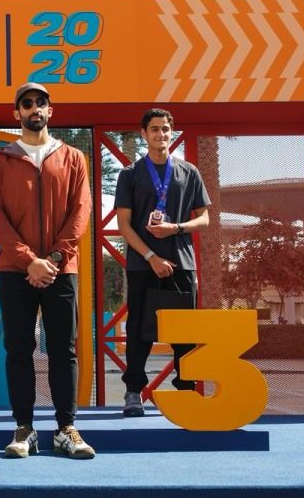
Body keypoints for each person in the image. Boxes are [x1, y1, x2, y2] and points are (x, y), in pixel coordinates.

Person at [0, 82, 95, 459]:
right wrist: (28, 260)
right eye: (27, 103)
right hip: (16, 270)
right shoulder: (0, 160)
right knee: (19, 349)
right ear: (17, 113)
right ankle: (24, 428)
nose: (35, 109)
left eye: (41, 103)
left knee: (63, 349)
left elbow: (81, 212)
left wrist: (55, 260)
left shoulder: (73, 158)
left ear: (51, 110)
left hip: (61, 271)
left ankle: (66, 429)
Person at [115, 107, 211, 417]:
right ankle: (133, 392)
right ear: (144, 134)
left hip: (182, 263)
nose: (161, 134)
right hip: (143, 265)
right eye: (154, 129)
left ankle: (186, 390)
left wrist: (176, 228)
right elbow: (124, 225)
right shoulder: (130, 174)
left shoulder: (189, 172)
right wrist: (151, 256)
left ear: (172, 132)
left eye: (165, 129)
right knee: (139, 330)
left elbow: (205, 219)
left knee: (185, 332)